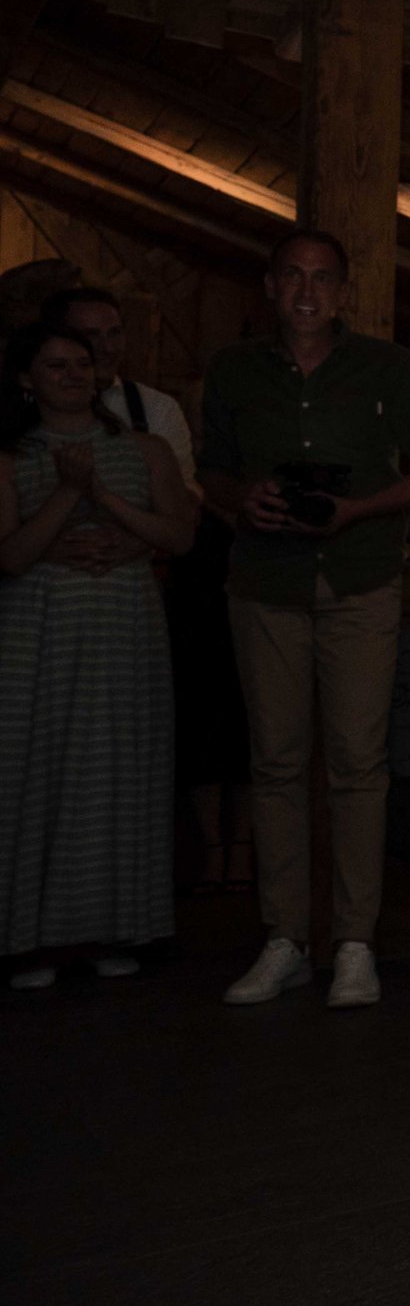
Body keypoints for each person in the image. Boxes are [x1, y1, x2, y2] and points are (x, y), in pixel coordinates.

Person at [199, 231, 410, 1010]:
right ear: (271, 287)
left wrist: (359, 510)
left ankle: (354, 944)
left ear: (342, 291)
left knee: (357, 766)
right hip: (264, 583)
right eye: (293, 277)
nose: (308, 291)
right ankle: (285, 940)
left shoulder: (388, 367)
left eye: (322, 278)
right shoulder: (234, 369)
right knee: (275, 764)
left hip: (361, 580)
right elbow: (208, 469)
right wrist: (240, 496)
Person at [0, 324, 196, 988]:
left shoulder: (144, 449)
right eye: (54, 365)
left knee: (117, 769)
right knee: (41, 771)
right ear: (26, 378)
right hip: (41, 629)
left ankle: (114, 926)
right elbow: (11, 554)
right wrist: (65, 493)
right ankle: (35, 939)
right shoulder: (10, 456)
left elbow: (181, 534)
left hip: (122, 629)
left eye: (81, 363)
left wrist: (107, 506)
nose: (72, 374)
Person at [42, 285, 195, 487]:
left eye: (115, 333)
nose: (108, 348)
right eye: (91, 335)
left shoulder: (156, 408)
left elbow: (186, 500)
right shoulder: (28, 409)